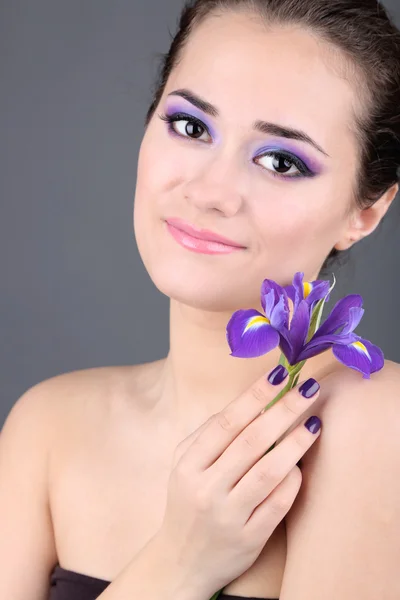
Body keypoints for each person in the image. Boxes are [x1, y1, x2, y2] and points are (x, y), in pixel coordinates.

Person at [1, 0, 400, 598]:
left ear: (364, 212)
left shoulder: (376, 424)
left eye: (282, 161)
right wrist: (181, 559)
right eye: (190, 127)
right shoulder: (46, 428)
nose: (211, 191)